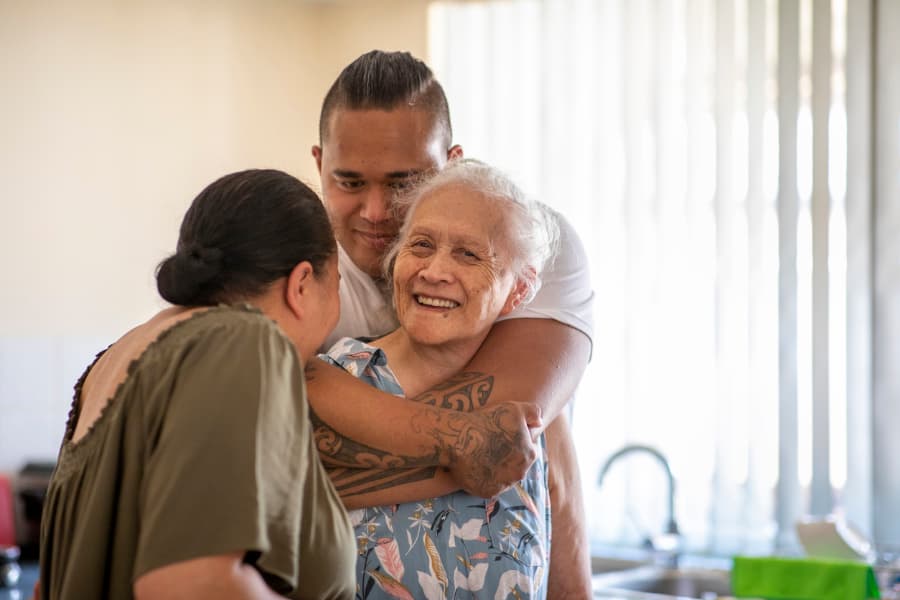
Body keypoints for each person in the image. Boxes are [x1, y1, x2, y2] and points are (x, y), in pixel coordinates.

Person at [36, 168, 538, 599]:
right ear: (302, 285)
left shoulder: (108, 366)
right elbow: (190, 584)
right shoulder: (244, 341)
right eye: (335, 286)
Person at [306, 51, 594, 597]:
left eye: (404, 182)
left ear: (452, 161)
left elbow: (506, 445)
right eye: (349, 182)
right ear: (319, 164)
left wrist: (310, 472)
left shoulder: (528, 239)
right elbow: (254, 457)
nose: (374, 212)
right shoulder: (297, 274)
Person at [322, 159, 557, 598]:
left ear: (519, 290)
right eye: (422, 245)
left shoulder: (529, 413)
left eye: (468, 254)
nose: (433, 272)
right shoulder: (336, 378)